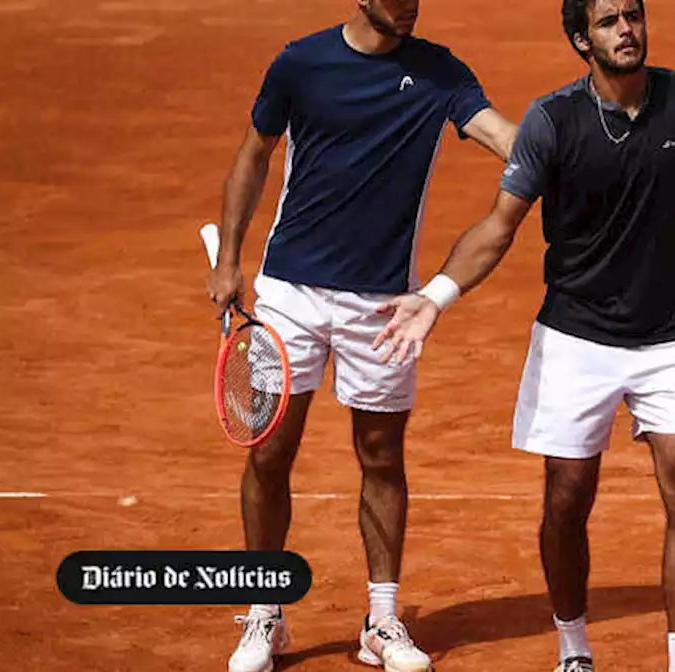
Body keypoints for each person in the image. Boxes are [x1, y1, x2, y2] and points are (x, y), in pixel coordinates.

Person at [369, 1, 675, 670]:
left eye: (633, 14)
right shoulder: (553, 120)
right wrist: (436, 296)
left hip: (673, 338)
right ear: (581, 39)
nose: (626, 29)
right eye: (608, 21)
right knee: (567, 500)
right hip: (576, 337)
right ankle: (574, 649)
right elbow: (497, 226)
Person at [205, 1, 517, 671]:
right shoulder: (301, 63)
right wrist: (231, 259)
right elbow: (254, 155)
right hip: (289, 292)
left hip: (383, 305)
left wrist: (577, 155)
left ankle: (381, 620)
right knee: (269, 453)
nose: (409, 6)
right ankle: (265, 613)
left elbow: (505, 141)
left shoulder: (438, 73)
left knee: (381, 456)